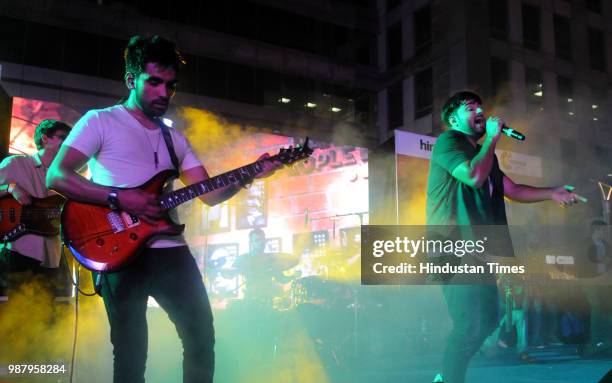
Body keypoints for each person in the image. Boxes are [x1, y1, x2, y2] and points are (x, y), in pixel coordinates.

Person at [46, 35, 280, 383]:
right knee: (130, 351)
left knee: (201, 337)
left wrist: (250, 175)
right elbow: (57, 176)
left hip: (170, 251)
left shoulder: (176, 139)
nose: (163, 93)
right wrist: (120, 198)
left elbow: (209, 194)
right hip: (118, 250)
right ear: (131, 80)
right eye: (153, 82)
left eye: (170, 86)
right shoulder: (101, 121)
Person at [425, 91, 579, 383]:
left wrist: (552, 192)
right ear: (453, 118)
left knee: (490, 316)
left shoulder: (485, 155)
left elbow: (513, 190)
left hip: (478, 248)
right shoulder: (449, 142)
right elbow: (472, 177)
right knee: (470, 321)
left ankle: (445, 376)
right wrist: (494, 139)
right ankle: (448, 379)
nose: (480, 111)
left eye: (480, 106)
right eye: (471, 108)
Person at [0, 119, 71, 295]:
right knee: (17, 315)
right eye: (63, 137)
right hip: (18, 251)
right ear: (45, 138)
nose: (68, 142)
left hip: (51, 256)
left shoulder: (66, 176)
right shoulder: (16, 164)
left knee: (47, 316)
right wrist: (11, 187)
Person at [582, 219, 611, 356]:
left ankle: (602, 340)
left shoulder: (605, 244)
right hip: (591, 280)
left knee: (603, 308)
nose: (604, 233)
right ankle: (595, 340)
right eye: (602, 230)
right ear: (595, 230)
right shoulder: (586, 244)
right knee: (596, 306)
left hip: (604, 280)